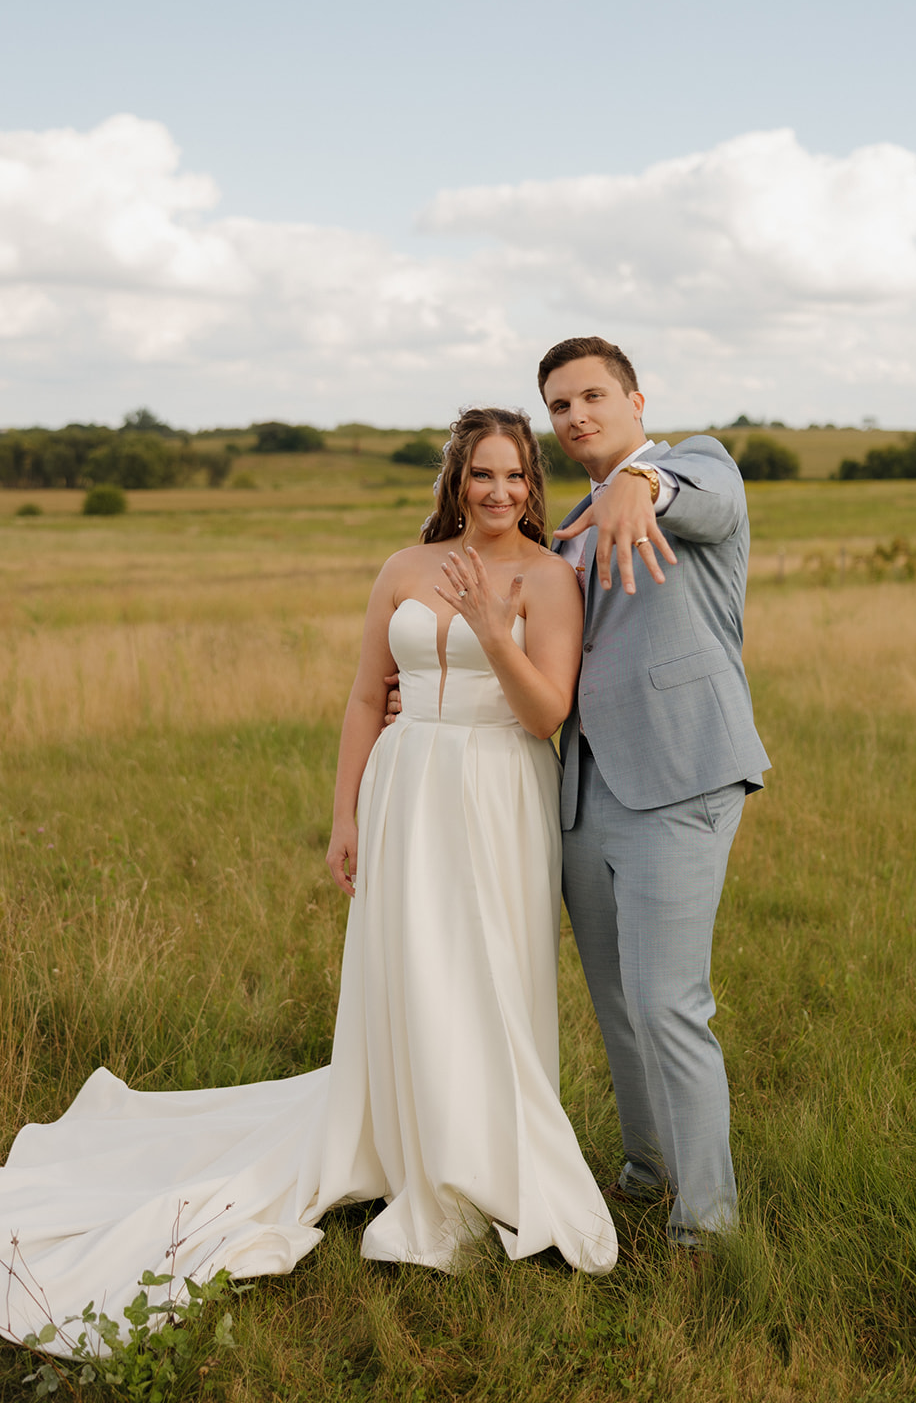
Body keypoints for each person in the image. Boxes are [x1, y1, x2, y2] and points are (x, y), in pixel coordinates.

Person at [0, 406, 615, 1358]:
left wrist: (497, 632)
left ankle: (481, 1157)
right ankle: (403, 1135)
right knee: (407, 968)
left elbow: (546, 714)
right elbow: (367, 694)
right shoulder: (403, 571)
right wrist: (345, 815)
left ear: (534, 486)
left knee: (485, 969)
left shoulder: (550, 579)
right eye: (482, 476)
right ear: (455, 481)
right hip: (405, 786)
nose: (499, 493)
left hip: (498, 792)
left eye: (517, 477)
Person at [538, 336, 770, 1249]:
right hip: (584, 789)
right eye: (558, 406)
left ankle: (706, 1227)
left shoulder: (693, 467)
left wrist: (642, 485)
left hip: (680, 779)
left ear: (636, 400)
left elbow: (697, 498)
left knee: (670, 1000)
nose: (575, 417)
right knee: (616, 999)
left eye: (591, 396)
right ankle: (645, 1172)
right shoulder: (571, 520)